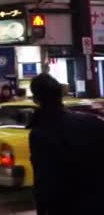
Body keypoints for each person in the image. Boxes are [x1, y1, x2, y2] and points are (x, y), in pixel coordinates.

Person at [29, 73, 104, 215]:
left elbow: (42, 181)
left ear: (36, 99)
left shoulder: (40, 133)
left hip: (64, 205)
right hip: (95, 201)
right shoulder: (91, 122)